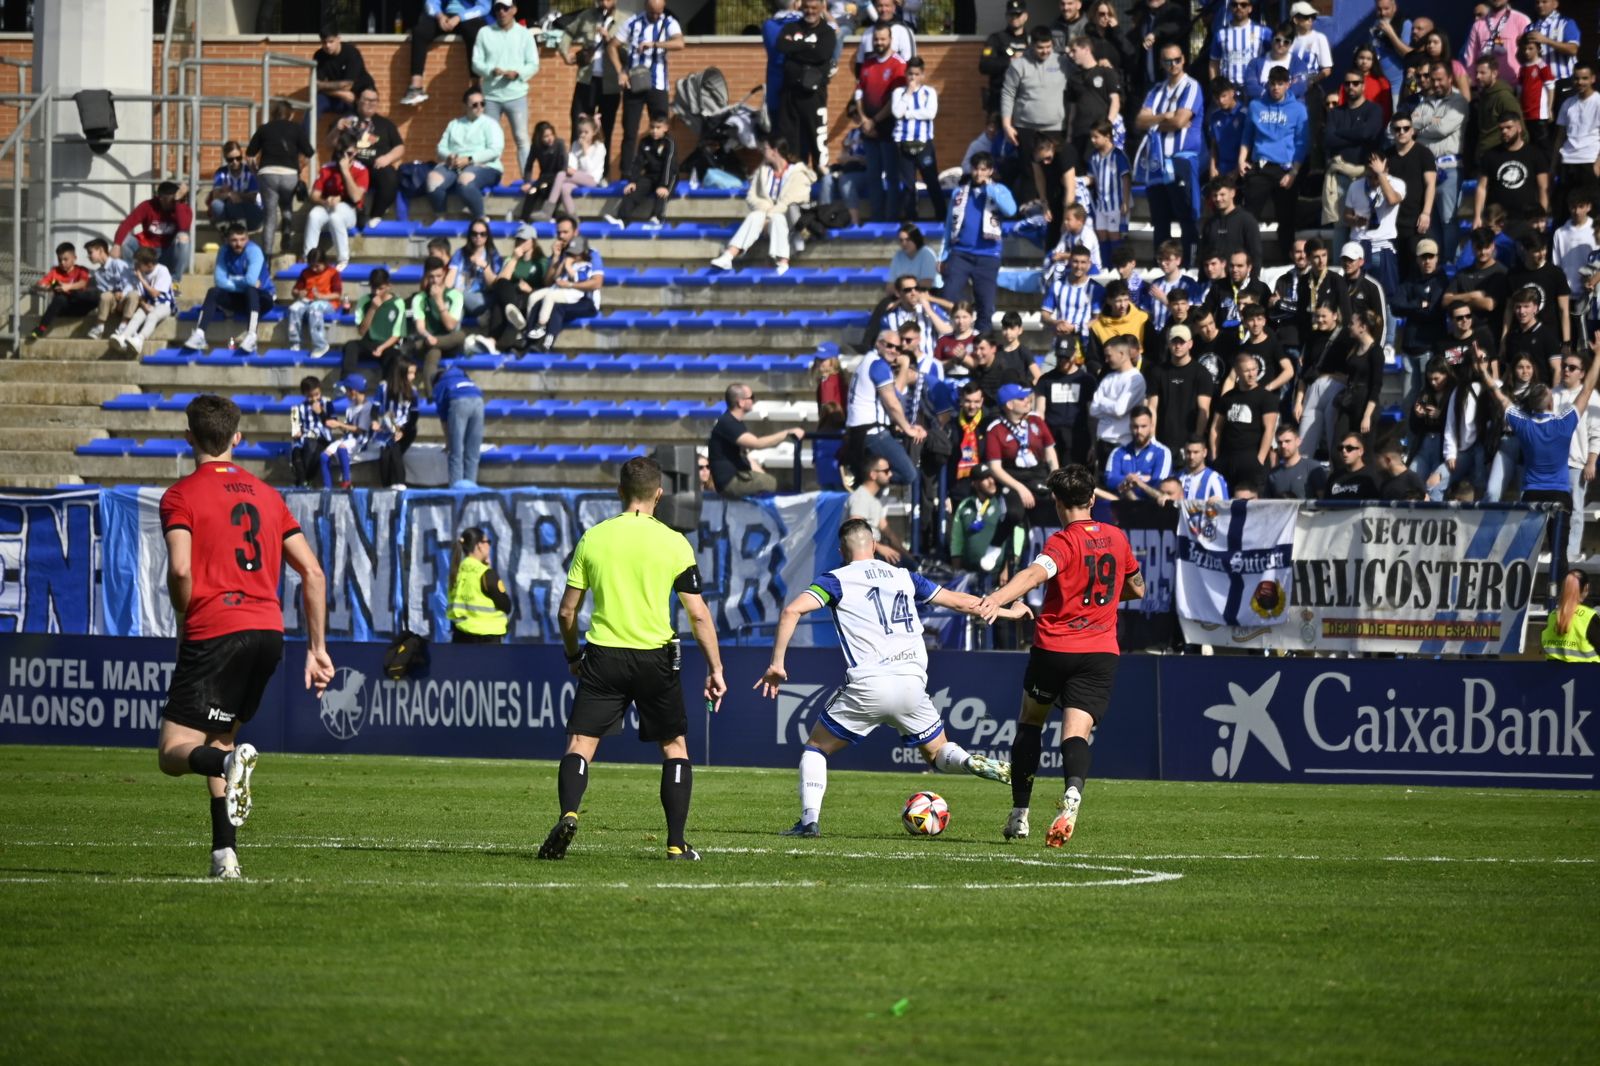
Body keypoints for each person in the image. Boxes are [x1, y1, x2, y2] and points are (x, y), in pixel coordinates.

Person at [157, 394, 333, 880]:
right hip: (268, 633)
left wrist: (184, 609)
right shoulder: (269, 496)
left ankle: (230, 765)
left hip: (216, 629)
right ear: (238, 438)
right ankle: (225, 856)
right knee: (219, 739)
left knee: (173, 753)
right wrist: (317, 649)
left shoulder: (180, 495)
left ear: (189, 437)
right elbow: (313, 574)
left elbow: (179, 568)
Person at [756, 518, 1021, 838]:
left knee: (816, 748)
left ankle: (810, 821)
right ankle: (968, 762)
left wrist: (777, 664)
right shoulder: (905, 577)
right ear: (874, 544)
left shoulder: (836, 579)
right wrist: (1009, 612)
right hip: (912, 682)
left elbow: (791, 611)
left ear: (843, 550)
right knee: (938, 753)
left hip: (869, 683)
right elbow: (963, 602)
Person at [541, 456, 727, 862]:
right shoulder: (674, 541)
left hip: (603, 656)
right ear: (659, 494)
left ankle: (569, 813)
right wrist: (715, 668)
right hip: (655, 659)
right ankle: (677, 843)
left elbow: (566, 612)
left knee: (579, 743)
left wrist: (574, 654)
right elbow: (698, 613)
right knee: (674, 747)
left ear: (619, 492)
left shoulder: (594, 537)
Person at [975, 465, 1144, 846]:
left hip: (1055, 648)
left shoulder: (1062, 542)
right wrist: (1100, 597)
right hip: (1100, 652)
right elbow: (1136, 587)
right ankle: (1072, 795)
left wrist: (996, 599)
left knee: (1031, 722)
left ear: (1057, 502)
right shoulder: (1117, 538)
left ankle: (1020, 815)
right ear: (1093, 499)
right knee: (1076, 733)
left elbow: (1034, 574)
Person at [1136, 43, 1203, 266]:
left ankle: (1190, 265)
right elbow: (1139, 121)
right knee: (1160, 220)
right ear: (1161, 63)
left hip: (1181, 160)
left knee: (1187, 216)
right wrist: (1165, 117)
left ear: (1183, 59)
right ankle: (1162, 265)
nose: (1172, 65)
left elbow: (1180, 121)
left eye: (1176, 60)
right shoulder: (1156, 90)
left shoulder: (1192, 86)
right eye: (1167, 61)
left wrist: (1156, 121)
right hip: (1156, 163)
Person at [710, 138, 815, 276]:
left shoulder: (798, 173)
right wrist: (765, 209)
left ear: (775, 151)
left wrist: (768, 215)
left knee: (777, 218)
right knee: (755, 215)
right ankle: (729, 256)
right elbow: (751, 196)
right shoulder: (763, 172)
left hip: (789, 221)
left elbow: (790, 201)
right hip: (765, 220)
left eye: (765, 149)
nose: (762, 151)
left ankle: (783, 262)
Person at [1239, 67, 1307, 265]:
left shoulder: (1298, 109)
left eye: (1280, 83)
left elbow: (1302, 143)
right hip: (1260, 166)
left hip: (1285, 169)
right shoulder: (1256, 105)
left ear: (1288, 84)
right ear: (1267, 83)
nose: (1276, 88)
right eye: (1272, 83)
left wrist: (1294, 172)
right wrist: (1241, 159)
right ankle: (1247, 261)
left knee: (1286, 219)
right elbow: (1247, 135)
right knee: (1249, 218)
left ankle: (1288, 263)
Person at [610, 0, 682, 181]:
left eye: (659, 12)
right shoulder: (633, 22)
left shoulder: (669, 22)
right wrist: (621, 71)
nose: (656, 16)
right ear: (645, 8)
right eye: (652, 13)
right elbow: (612, 46)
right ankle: (626, 174)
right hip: (633, 84)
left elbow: (680, 43)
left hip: (658, 85)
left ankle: (662, 171)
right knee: (629, 130)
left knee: (661, 128)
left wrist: (655, 44)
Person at [845, 332, 925, 486]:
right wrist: (908, 429)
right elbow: (892, 403)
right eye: (889, 345)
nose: (893, 350)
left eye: (898, 348)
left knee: (874, 485)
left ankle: (863, 480)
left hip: (859, 432)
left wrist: (904, 365)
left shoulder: (868, 361)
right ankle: (865, 478)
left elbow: (895, 393)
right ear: (878, 343)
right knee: (908, 474)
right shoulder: (878, 365)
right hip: (872, 432)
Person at [1001, 26, 1070, 202]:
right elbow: (1008, 94)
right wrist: (1007, 124)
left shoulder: (1063, 62)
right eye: (1040, 47)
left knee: (1055, 171)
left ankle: (1053, 211)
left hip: (1055, 127)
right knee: (1029, 172)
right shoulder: (1019, 65)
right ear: (1031, 45)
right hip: (1026, 127)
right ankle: (1029, 213)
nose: (1045, 51)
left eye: (1048, 47)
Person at [1412, 62, 1471, 265]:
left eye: (1440, 79)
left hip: (1449, 168)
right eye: (1433, 79)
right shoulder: (1424, 102)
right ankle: (1437, 265)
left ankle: (1450, 262)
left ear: (1449, 79)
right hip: (1426, 170)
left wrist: (1419, 131)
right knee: (1431, 222)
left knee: (1448, 219)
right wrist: (1422, 127)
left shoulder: (1459, 101)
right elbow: (1406, 126)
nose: (1436, 84)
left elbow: (1442, 129)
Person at [182, 224, 273, 354]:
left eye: (242, 240)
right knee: (213, 291)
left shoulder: (254, 251)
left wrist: (231, 280)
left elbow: (251, 281)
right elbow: (219, 281)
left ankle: (252, 335)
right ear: (227, 240)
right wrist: (243, 282)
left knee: (251, 290)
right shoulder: (224, 251)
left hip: (262, 298)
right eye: (234, 240)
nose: (238, 244)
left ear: (247, 239)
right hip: (240, 298)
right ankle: (199, 334)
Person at [1324, 69, 1385, 252]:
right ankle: (1338, 270)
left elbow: (1368, 133)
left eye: (1355, 83)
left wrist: (1341, 133)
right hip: (1341, 176)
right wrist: (1357, 133)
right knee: (1341, 226)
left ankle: (1366, 269)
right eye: (1347, 83)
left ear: (1363, 85)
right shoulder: (1335, 113)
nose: (1351, 87)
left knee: (1365, 224)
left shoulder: (1374, 110)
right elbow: (1328, 139)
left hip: (1366, 175)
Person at [472, 1, 538, 171]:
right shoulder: (484, 32)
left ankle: (528, 181)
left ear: (514, 10)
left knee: (522, 139)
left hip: (516, 95)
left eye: (505, 8)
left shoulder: (524, 34)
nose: (501, 12)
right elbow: (475, 63)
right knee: (490, 142)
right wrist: (490, 71)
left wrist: (517, 73)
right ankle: (490, 180)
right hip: (491, 96)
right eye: (497, 8)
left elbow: (533, 64)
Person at [708, 382, 806, 497]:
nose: (753, 401)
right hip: (731, 482)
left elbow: (746, 457)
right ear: (741, 402)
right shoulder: (728, 423)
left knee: (781, 485)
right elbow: (757, 443)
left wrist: (765, 477)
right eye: (751, 397)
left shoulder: (735, 423)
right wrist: (787, 433)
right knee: (784, 487)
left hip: (739, 477)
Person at [775, 0, 837, 172]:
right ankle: (793, 176)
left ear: (821, 8)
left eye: (814, 8)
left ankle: (822, 179)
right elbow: (781, 45)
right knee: (789, 138)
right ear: (801, 8)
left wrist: (794, 49)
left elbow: (821, 54)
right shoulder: (791, 27)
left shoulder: (827, 32)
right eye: (807, 8)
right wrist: (808, 46)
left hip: (813, 95)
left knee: (817, 138)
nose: (810, 11)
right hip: (790, 93)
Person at [558, 0, 621, 168]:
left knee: (605, 129)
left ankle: (602, 174)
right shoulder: (587, 16)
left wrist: (609, 39)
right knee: (579, 123)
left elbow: (628, 51)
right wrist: (565, 53)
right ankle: (573, 168)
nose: (603, 2)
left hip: (610, 83)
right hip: (586, 79)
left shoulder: (624, 20)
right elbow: (568, 32)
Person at [248, 101, 315, 256]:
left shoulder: (264, 129)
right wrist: (300, 167)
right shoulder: (296, 128)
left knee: (270, 216)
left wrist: (255, 172)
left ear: (272, 114)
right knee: (286, 203)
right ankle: (287, 225)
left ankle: (267, 257)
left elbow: (250, 156)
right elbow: (309, 152)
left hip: (268, 172)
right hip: (289, 173)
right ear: (291, 114)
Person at [427, 88, 505, 221]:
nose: (479, 107)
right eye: (475, 104)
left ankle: (480, 218)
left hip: (485, 166)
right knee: (432, 180)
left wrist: (470, 159)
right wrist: (449, 156)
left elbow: (495, 150)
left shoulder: (490, 124)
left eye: (482, 103)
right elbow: (441, 148)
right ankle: (440, 217)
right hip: (454, 165)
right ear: (465, 106)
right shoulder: (454, 124)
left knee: (465, 179)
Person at [527, 222, 606, 350]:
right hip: (563, 293)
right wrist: (556, 259)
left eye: (565, 232)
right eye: (559, 232)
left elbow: (597, 282)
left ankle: (545, 345)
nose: (561, 236)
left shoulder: (591, 254)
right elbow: (548, 282)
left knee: (556, 307)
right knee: (537, 302)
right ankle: (529, 338)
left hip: (584, 300)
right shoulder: (561, 254)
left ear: (575, 232)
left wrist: (569, 283)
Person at [334, 88, 404, 228]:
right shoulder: (347, 120)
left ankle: (375, 215)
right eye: (366, 99)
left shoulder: (386, 124)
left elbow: (400, 147)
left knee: (390, 176)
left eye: (374, 100)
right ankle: (352, 211)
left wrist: (388, 158)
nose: (370, 103)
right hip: (352, 166)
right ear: (358, 101)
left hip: (376, 167)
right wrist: (336, 129)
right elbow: (329, 145)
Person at [402, 0, 492, 107]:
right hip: (445, 16)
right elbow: (431, 2)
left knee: (475, 34)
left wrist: (459, 17)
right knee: (420, 31)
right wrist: (439, 16)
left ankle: (476, 87)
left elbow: (484, 7)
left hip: (468, 16)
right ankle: (416, 87)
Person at [1211, 349, 1278, 486]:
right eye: (1247, 370)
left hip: (1252, 460)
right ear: (1237, 371)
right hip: (1227, 459)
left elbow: (1269, 430)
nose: (1251, 374)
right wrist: (1214, 456)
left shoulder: (1266, 397)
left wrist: (1260, 459)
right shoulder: (1227, 398)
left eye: (1254, 369)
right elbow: (1215, 428)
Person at [891, 57, 945, 222]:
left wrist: (909, 113)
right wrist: (908, 94)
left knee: (932, 181)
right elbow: (897, 113)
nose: (913, 78)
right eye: (910, 74)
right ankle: (910, 219)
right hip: (902, 143)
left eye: (916, 74)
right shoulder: (899, 93)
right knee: (908, 185)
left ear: (922, 75)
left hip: (924, 143)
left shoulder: (930, 92)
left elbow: (930, 113)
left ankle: (942, 217)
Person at [1475, 112, 1548, 232]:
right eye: (1501, 129)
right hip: (1497, 221)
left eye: (1508, 127)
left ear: (1519, 128)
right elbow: (1481, 187)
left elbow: (1543, 187)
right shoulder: (1490, 155)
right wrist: (1478, 216)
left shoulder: (1535, 154)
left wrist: (1541, 217)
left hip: (1527, 219)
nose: (1504, 132)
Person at [303, 135, 368, 271]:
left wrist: (345, 171)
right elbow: (314, 195)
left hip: (350, 211)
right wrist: (325, 201)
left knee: (335, 216)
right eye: (341, 153)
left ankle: (343, 259)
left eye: (349, 154)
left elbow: (356, 197)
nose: (345, 158)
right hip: (329, 207)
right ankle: (308, 256)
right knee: (314, 214)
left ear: (355, 152)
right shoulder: (327, 168)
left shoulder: (361, 170)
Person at [605, 113, 676, 228]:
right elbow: (638, 163)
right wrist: (632, 181)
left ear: (665, 128)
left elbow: (669, 165)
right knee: (633, 191)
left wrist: (664, 185)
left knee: (662, 194)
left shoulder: (669, 143)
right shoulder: (644, 142)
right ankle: (622, 220)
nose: (654, 131)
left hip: (668, 176)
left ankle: (657, 218)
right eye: (652, 127)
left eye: (658, 128)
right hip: (651, 175)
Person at [114, 179, 192, 283]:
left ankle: (174, 281)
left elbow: (183, 227)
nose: (174, 202)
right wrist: (117, 245)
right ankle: (134, 276)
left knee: (183, 237)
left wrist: (178, 202)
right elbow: (127, 223)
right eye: (171, 199)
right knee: (125, 240)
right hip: (148, 251)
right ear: (161, 198)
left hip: (168, 253)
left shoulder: (181, 208)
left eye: (175, 198)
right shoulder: (148, 206)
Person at [446, 526, 512, 643]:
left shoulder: (456, 572)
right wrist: (488, 568)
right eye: (488, 542)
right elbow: (506, 605)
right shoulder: (485, 574)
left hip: (460, 638)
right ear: (479, 545)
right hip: (486, 641)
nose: (489, 546)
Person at [339, 268, 407, 379]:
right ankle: (347, 382)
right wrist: (372, 309)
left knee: (395, 357)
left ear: (389, 286)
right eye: (374, 288)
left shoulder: (398, 303)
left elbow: (397, 334)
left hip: (387, 345)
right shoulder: (364, 301)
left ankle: (387, 388)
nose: (376, 292)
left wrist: (382, 348)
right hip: (368, 343)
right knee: (350, 346)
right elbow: (361, 331)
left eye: (381, 288)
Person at [1553, 62, 1600, 218]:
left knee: (1592, 211)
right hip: (1568, 161)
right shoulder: (1567, 103)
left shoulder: (1598, 101)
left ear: (1593, 79)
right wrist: (1553, 166)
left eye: (1585, 78)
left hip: (1589, 160)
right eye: (1577, 78)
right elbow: (1560, 136)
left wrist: (1598, 163)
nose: (1580, 82)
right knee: (1564, 209)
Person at [112, 247, 176, 357]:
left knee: (152, 316)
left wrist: (141, 278)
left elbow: (155, 293)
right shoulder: (141, 273)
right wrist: (143, 304)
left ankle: (139, 340)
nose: (136, 265)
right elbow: (139, 295)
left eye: (139, 263)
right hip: (149, 304)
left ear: (149, 264)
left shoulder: (162, 270)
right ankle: (123, 337)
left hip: (164, 305)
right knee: (137, 316)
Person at [27, 241, 95, 341]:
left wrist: (68, 287)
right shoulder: (55, 271)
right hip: (64, 308)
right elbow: (40, 284)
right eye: (60, 260)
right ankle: (40, 329)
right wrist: (51, 287)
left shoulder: (81, 270)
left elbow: (82, 283)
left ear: (74, 258)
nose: (62, 262)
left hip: (79, 306)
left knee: (90, 296)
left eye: (65, 259)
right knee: (60, 298)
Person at [433, 363, 485, 488]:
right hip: (479, 402)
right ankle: (471, 489)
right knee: (473, 452)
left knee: (456, 452)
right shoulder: (466, 378)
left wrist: (448, 442)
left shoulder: (440, 384)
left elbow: (444, 419)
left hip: (458, 402)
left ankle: (456, 492)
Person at [311, 27, 374, 128]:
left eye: (331, 42)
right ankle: (305, 139)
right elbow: (316, 86)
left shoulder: (351, 53)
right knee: (315, 104)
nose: (327, 46)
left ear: (338, 39)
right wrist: (341, 94)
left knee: (354, 119)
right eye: (324, 42)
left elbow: (348, 85)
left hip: (355, 97)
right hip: (337, 97)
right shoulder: (319, 56)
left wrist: (323, 85)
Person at [286, 247, 341, 356]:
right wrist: (298, 293)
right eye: (312, 266)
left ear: (324, 263)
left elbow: (337, 294)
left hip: (328, 303)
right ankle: (294, 342)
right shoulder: (306, 272)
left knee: (314, 308)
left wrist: (322, 296)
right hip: (308, 300)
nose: (314, 269)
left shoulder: (333, 273)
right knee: (294, 308)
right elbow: (295, 291)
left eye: (317, 266)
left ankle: (320, 345)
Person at [1463, 0, 1531, 86]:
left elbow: (1532, 54)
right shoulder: (1478, 25)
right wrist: (1473, 85)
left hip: (1515, 86)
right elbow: (1470, 58)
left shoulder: (1521, 20)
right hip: (1486, 89)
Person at [981, 0, 1031, 113]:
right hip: (999, 99)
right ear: (1006, 16)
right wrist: (1010, 61)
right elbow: (984, 66)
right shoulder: (996, 39)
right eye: (1011, 14)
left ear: (1025, 16)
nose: (1014, 18)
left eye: (1018, 14)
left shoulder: (1031, 41)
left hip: (1026, 100)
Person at [1209, 0, 1271, 89]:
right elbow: (1214, 63)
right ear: (1230, 7)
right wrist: (1216, 88)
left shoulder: (1264, 32)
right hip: (1229, 90)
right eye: (1234, 4)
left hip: (1256, 88)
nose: (1239, 7)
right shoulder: (1220, 34)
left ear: (1250, 8)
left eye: (1243, 5)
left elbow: (1274, 57)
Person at [206, 141, 263, 231]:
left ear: (241, 155)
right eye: (230, 159)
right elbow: (216, 196)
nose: (235, 162)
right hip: (230, 213)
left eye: (238, 158)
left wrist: (236, 195)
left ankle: (237, 232)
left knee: (233, 203)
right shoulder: (221, 172)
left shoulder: (249, 171)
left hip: (252, 213)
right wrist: (230, 195)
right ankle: (229, 234)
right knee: (216, 204)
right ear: (225, 159)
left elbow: (254, 196)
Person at [1542, 569, 1598, 661]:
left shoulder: (1552, 616)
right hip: (1587, 673)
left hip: (1553, 673)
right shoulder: (1589, 617)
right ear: (1586, 588)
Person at [1267, 423, 1327, 499]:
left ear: (1298, 441)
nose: (1283, 446)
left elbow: (1323, 501)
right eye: (1279, 442)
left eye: (1287, 441)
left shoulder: (1313, 468)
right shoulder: (1273, 474)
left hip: (1307, 511)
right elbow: (1268, 504)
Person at [1323, 432, 1381, 499]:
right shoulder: (1334, 477)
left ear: (1361, 451)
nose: (1344, 451)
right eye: (1340, 448)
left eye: (1349, 448)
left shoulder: (1372, 476)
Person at [1177, 436, 1230, 501]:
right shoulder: (1178, 476)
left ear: (1204, 452)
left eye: (1196, 452)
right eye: (1188, 452)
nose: (1191, 457)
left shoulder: (1214, 479)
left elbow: (1223, 507)